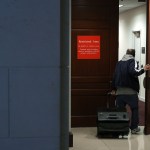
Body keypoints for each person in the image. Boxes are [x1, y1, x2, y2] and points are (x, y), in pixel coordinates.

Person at [111, 49, 150, 134]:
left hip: (120, 92)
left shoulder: (119, 63)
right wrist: (144, 69)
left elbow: (114, 76)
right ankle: (134, 128)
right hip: (131, 92)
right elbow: (134, 72)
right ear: (133, 54)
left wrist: (113, 89)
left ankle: (121, 128)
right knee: (134, 109)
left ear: (126, 53)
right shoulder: (132, 61)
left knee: (120, 111)